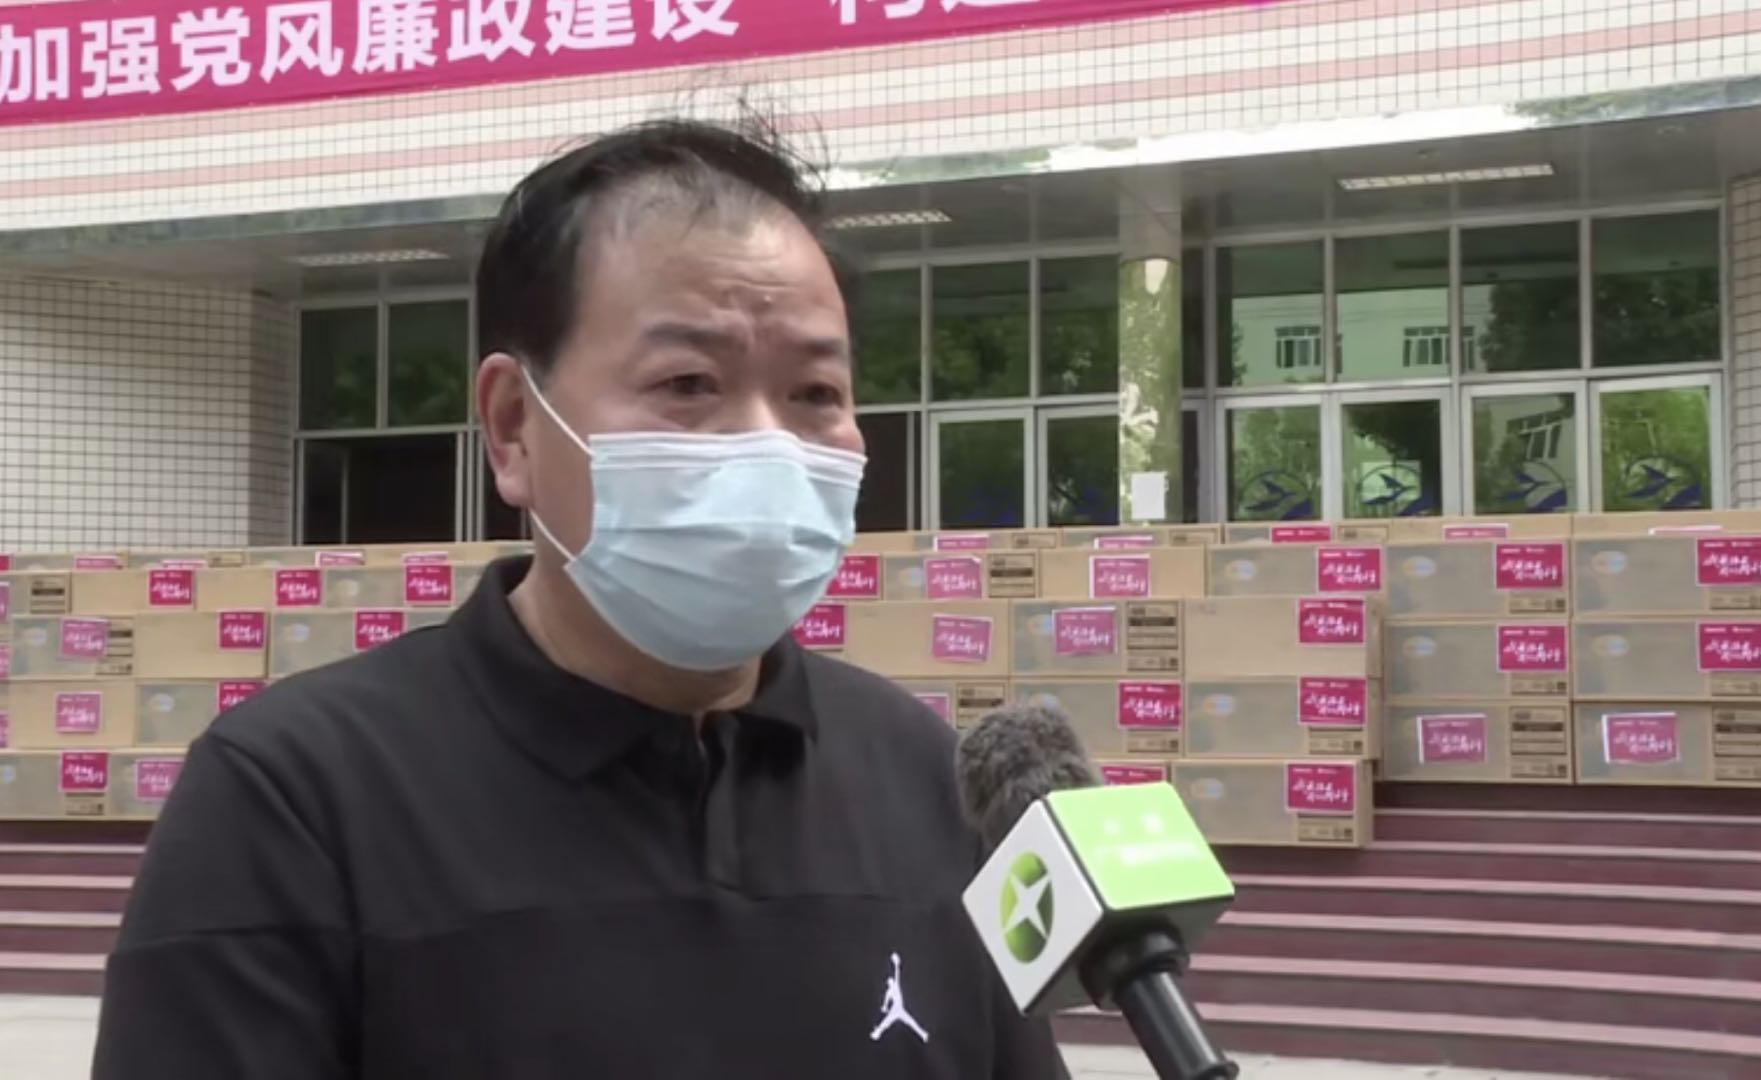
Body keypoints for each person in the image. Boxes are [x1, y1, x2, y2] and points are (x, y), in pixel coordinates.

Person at [92, 115, 1069, 1079]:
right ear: (514, 426)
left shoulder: (926, 780)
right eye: (688, 382)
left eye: (815, 393)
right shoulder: (294, 799)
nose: (766, 446)